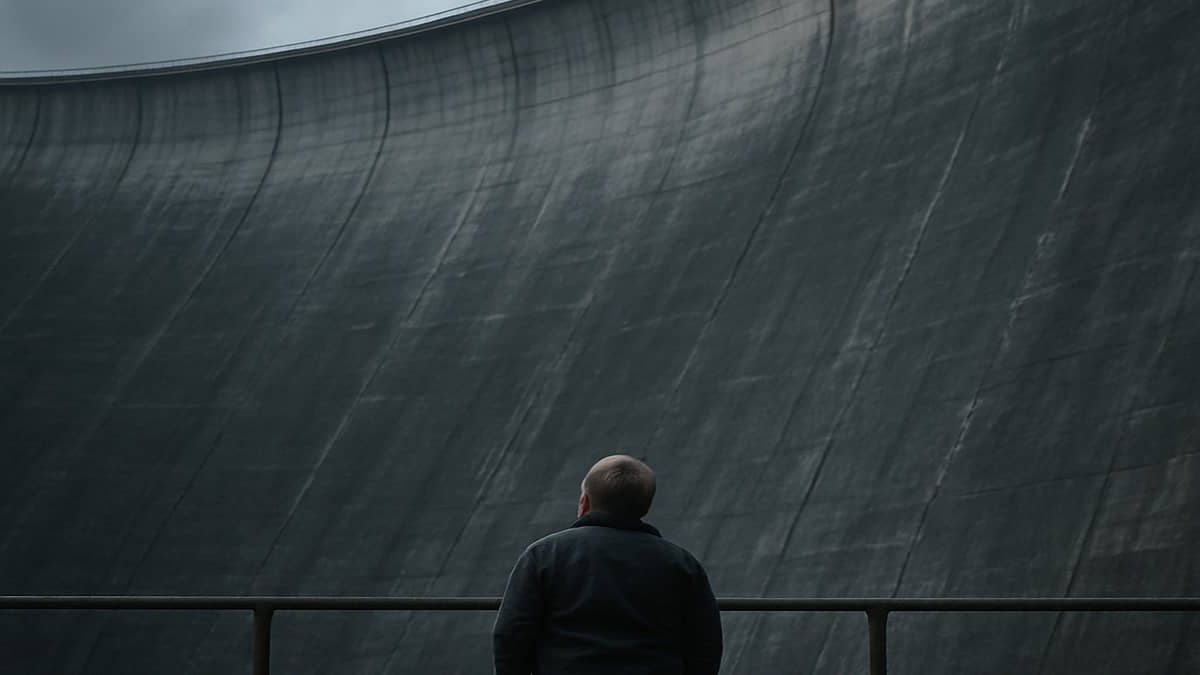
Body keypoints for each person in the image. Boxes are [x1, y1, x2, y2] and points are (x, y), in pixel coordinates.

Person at [493, 454, 723, 675]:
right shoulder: (681, 564)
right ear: (645, 507)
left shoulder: (544, 555)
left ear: (584, 502)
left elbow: (512, 633)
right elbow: (706, 643)